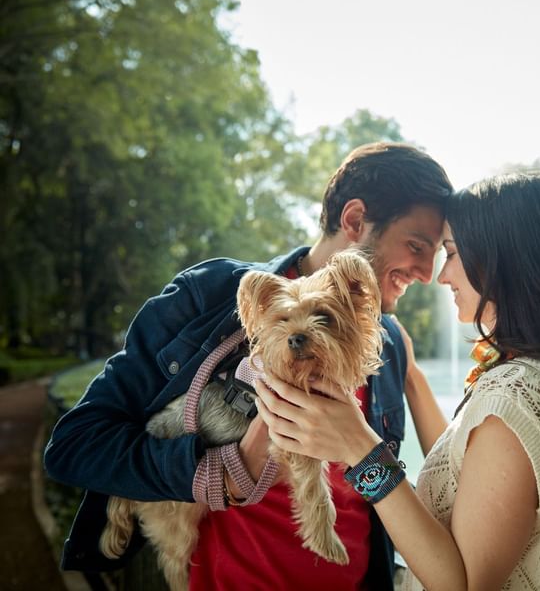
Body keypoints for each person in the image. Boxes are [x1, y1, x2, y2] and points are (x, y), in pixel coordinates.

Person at [43, 142, 454, 590]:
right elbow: (74, 446)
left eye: (436, 253)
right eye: (416, 245)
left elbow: (387, 487)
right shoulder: (211, 297)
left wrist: (401, 397)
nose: (427, 272)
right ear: (354, 220)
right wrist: (220, 471)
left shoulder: (389, 343)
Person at [258, 171, 540, 590]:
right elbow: (468, 486)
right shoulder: (532, 380)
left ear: (502, 262)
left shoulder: (517, 396)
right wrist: (413, 380)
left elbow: (464, 584)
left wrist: (360, 449)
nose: (441, 276)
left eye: (452, 253)